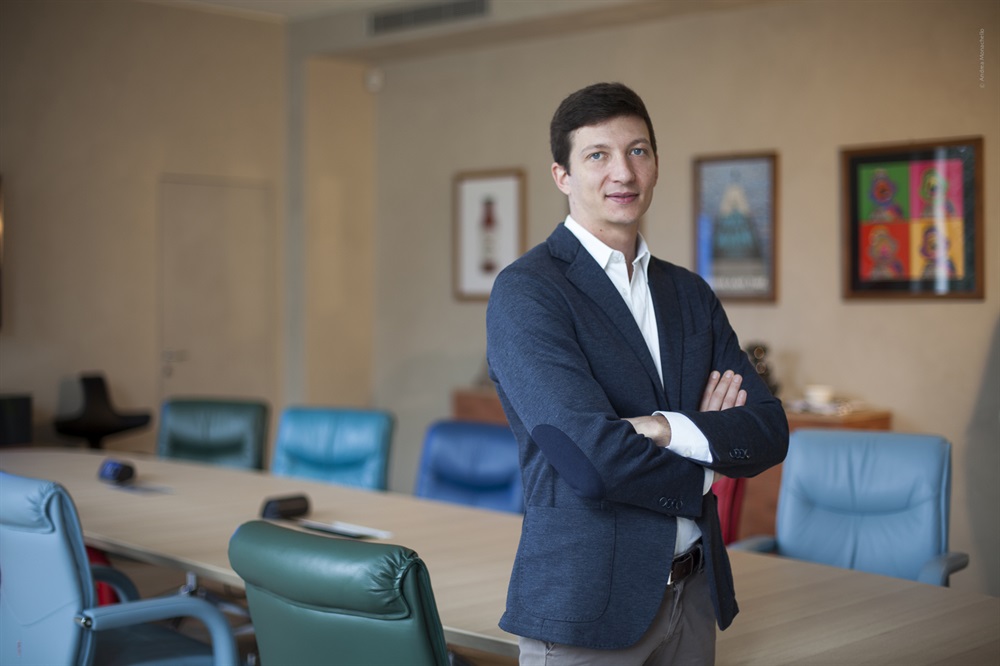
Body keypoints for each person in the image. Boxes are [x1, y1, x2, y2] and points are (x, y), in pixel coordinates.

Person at [485, 82, 789, 665]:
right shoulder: (528, 293)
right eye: (597, 155)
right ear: (562, 176)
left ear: (655, 164)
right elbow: (591, 459)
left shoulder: (689, 293)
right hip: (588, 607)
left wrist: (664, 428)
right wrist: (707, 457)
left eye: (638, 151)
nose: (622, 172)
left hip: (695, 597)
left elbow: (769, 430)